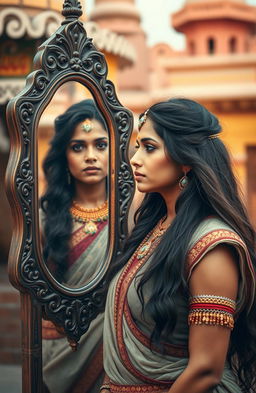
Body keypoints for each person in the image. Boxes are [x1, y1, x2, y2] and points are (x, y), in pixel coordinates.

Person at [102, 98, 256, 393]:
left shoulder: (212, 246)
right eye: (137, 147)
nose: (134, 159)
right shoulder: (156, 227)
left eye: (149, 147)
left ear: (185, 160)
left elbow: (205, 371)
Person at [40, 99, 109, 393]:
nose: (91, 156)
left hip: (117, 353)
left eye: (100, 145)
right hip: (58, 353)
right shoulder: (45, 219)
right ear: (64, 155)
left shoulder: (134, 215)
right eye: (78, 147)